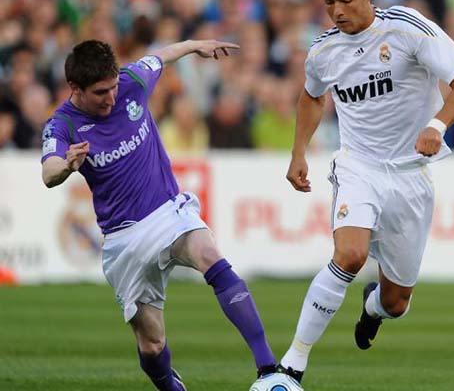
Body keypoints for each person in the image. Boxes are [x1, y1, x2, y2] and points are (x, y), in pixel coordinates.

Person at [279, 0, 454, 384]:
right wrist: (299, 152)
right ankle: (291, 366)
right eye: (329, 2)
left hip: (410, 176)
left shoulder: (407, 27)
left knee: (397, 301)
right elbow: (313, 96)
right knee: (349, 255)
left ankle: (373, 309)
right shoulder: (324, 50)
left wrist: (437, 124)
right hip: (359, 167)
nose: (337, 11)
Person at [41, 39, 278, 390]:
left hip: (168, 212)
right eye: (99, 93)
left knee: (210, 254)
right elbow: (49, 172)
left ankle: (269, 369)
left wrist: (199, 45)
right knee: (152, 344)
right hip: (124, 240)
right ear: (75, 88)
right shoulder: (62, 125)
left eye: (112, 87)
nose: (110, 98)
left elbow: (161, 56)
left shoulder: (132, 82)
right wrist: (67, 167)